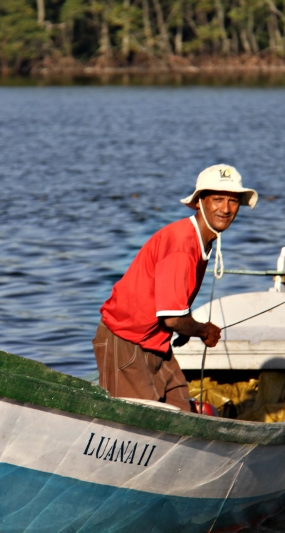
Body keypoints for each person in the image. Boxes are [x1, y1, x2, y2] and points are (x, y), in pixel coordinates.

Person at [92, 164, 258, 412]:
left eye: (233, 201)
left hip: (155, 342)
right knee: (143, 420)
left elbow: (172, 308)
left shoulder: (201, 238)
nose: (225, 208)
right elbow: (172, 318)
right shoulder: (182, 244)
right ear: (200, 201)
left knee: (182, 412)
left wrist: (186, 327)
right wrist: (201, 330)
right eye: (218, 199)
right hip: (126, 340)